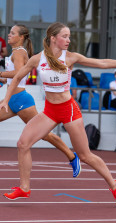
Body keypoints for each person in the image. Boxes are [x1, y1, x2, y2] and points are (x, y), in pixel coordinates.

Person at [0, 22, 116, 207]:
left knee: (85, 156)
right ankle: (25, 188)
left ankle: (115, 186)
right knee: (23, 144)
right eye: (65, 36)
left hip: (68, 110)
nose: (68, 40)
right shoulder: (38, 58)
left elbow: (102, 63)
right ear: (53, 38)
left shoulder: (70, 58)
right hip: (50, 111)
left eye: (69, 37)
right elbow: (18, 76)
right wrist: (6, 99)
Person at [0, 24, 81, 180]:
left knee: (45, 135)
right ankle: (72, 156)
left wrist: (1, 73)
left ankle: (72, 157)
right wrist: (2, 79)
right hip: (12, 100)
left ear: (21, 37)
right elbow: (17, 77)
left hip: (22, 100)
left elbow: (17, 73)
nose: (9, 35)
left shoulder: (19, 52)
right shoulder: (15, 53)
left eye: (12, 33)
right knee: (44, 134)